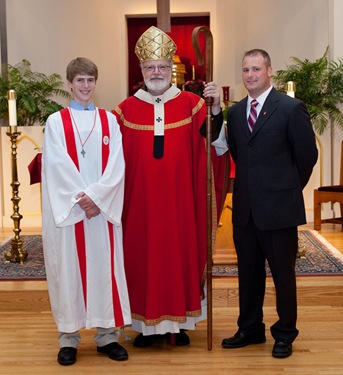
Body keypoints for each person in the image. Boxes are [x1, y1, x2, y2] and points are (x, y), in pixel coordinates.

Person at [112, 26, 229, 347]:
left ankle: (179, 324)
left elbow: (215, 146)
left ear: (172, 70)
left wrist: (216, 110)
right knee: (143, 261)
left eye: (163, 67)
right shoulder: (124, 111)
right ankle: (146, 328)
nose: (157, 72)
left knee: (180, 258)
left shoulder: (193, 104)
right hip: (140, 208)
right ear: (141, 70)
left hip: (181, 204)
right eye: (150, 67)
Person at [221, 49, 318, 358]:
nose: (250, 75)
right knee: (248, 274)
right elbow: (238, 153)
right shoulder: (235, 113)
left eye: (256, 69)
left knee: (283, 276)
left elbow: (307, 156)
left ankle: (285, 333)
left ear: (269, 71)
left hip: (279, 209)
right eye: (246, 70)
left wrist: (287, 190)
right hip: (246, 210)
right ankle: (250, 328)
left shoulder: (290, 108)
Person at [42, 57, 131, 365]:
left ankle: (107, 336)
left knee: (104, 271)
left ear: (96, 82)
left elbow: (117, 164)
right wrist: (84, 200)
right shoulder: (56, 122)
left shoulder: (109, 121)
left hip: (101, 213)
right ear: (69, 83)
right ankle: (68, 338)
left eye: (90, 80)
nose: (85, 85)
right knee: (69, 272)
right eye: (79, 80)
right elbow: (55, 166)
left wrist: (97, 199)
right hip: (72, 213)